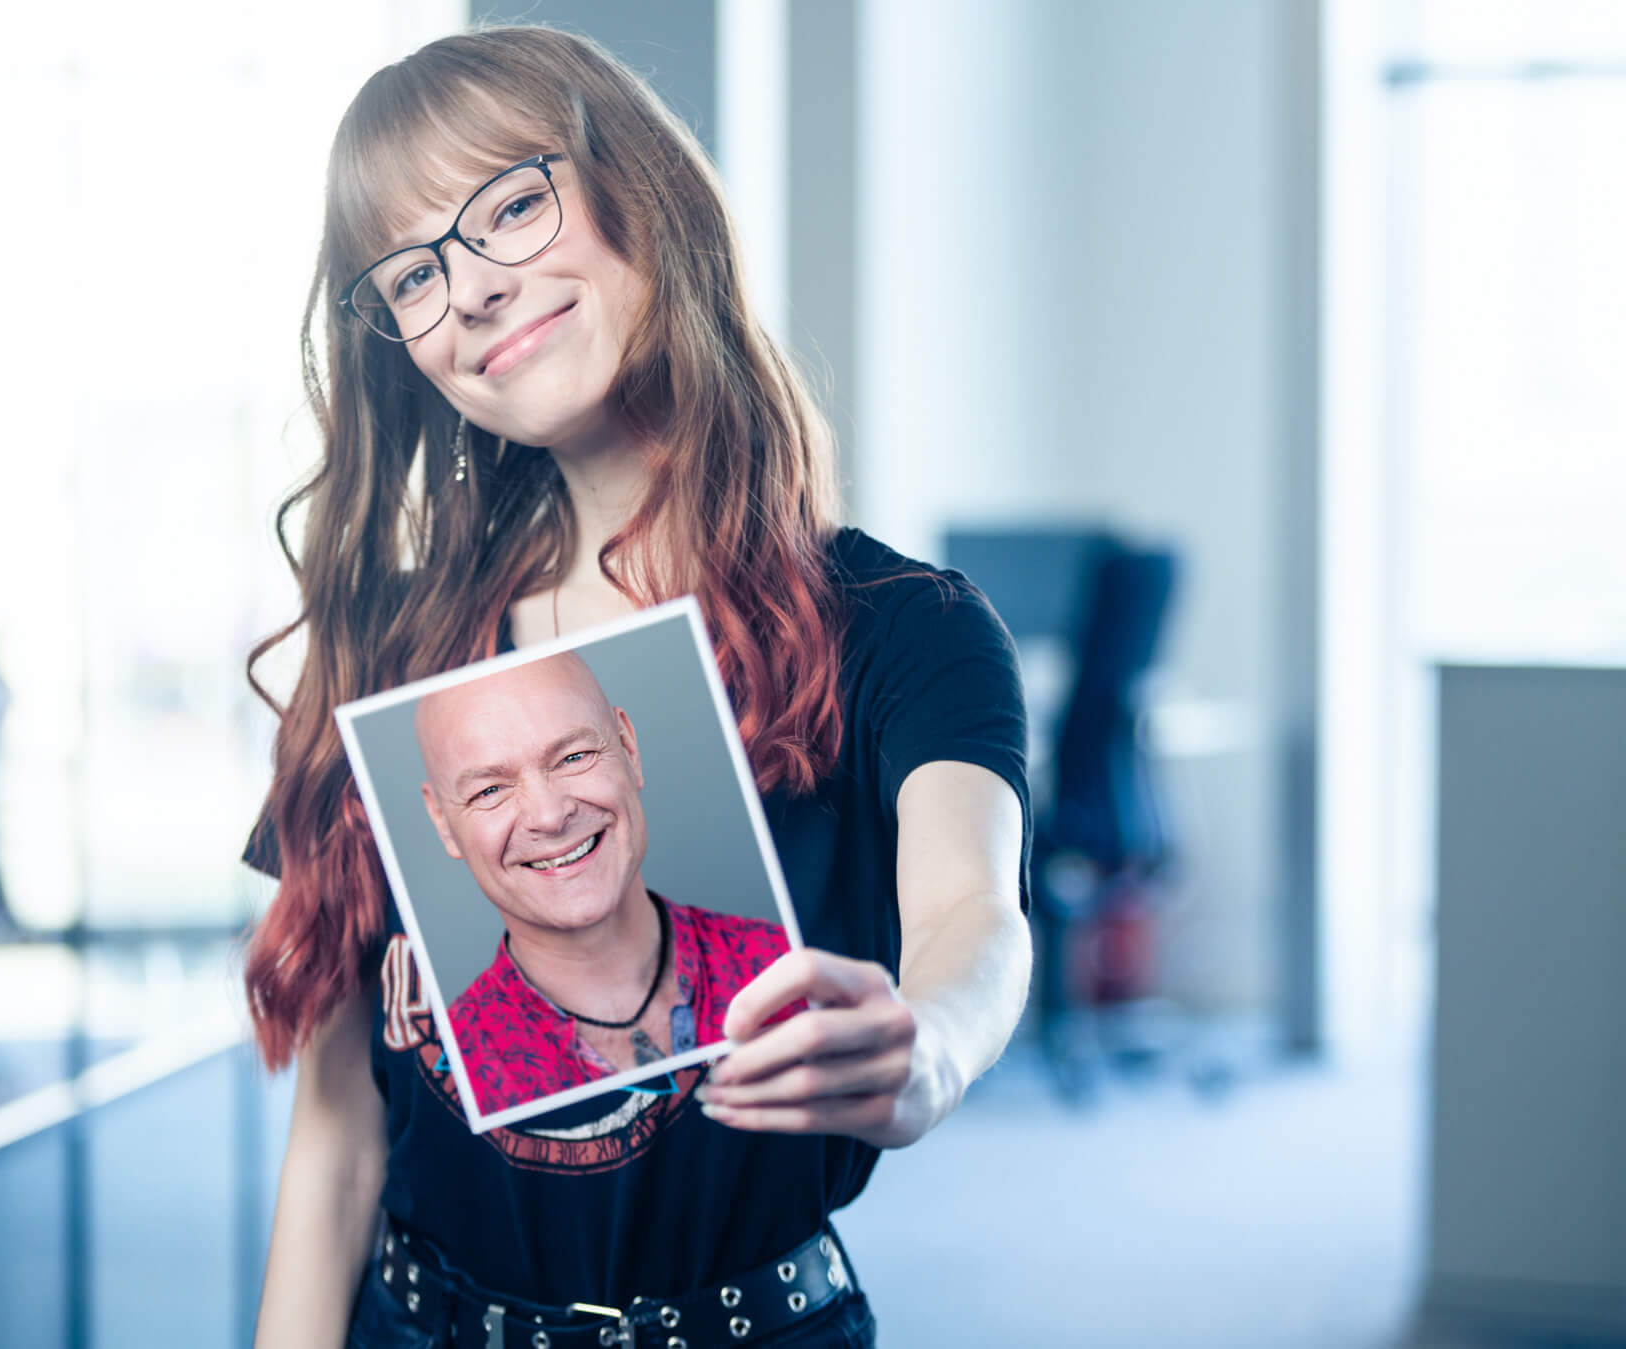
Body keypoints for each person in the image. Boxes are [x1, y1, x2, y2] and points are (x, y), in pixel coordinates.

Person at [240, 24, 1035, 1349]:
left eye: (510, 204)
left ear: (640, 192)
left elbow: (973, 911)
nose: (473, 288)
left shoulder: (905, 628)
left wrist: (929, 1049)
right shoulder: (386, 644)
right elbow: (333, 1148)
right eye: (415, 274)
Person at [413, 650, 800, 1116]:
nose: (549, 816)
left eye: (573, 757)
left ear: (629, 749)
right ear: (442, 820)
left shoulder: (789, 970)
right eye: (489, 790)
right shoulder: (449, 1083)